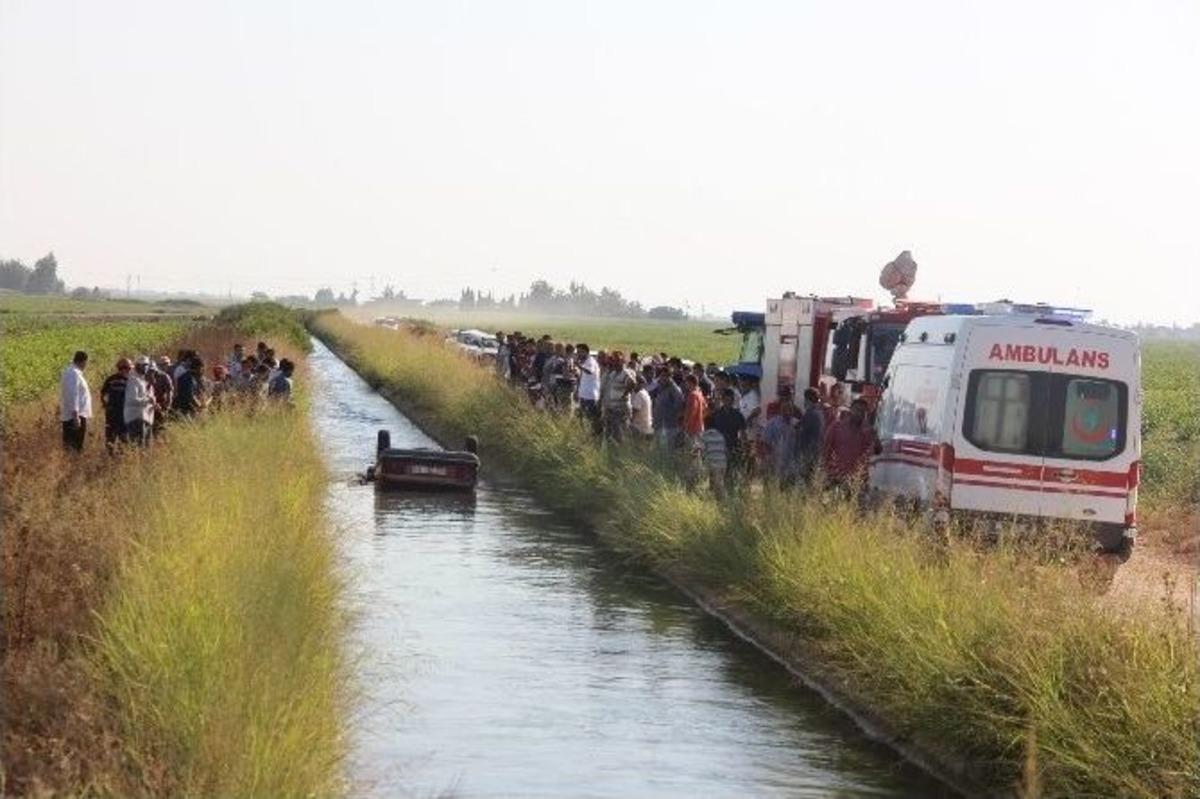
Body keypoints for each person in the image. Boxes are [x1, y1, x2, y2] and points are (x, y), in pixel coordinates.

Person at [822, 398, 880, 494]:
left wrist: (874, 436)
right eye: (857, 410)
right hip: (836, 478)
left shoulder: (868, 432)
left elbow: (878, 450)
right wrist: (825, 473)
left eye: (863, 412)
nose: (860, 414)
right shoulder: (836, 427)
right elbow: (825, 450)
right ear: (851, 410)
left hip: (857, 481)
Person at [707, 387, 747, 476]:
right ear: (722, 400)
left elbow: (743, 433)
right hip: (718, 449)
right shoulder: (716, 415)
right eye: (725, 399)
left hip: (732, 447)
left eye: (730, 400)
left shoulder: (738, 415)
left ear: (733, 400)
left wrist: (744, 447)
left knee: (730, 474)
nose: (728, 402)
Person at [59, 350, 92, 451]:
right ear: (83, 361)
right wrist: (75, 415)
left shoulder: (73, 372)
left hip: (75, 415)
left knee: (74, 447)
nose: (86, 365)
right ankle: (71, 465)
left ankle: (71, 464)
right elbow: (73, 394)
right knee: (74, 448)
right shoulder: (73, 373)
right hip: (74, 417)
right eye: (86, 362)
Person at [600, 352, 636, 441]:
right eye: (614, 360)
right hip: (611, 408)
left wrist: (625, 394)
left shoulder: (625, 373)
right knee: (609, 434)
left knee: (620, 435)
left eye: (617, 361)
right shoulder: (613, 374)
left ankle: (622, 452)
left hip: (620, 410)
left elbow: (632, 383)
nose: (615, 363)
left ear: (622, 361)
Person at [99, 357, 132, 450]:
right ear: (125, 368)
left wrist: (105, 405)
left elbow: (102, 394)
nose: (130, 370)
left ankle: (112, 458)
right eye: (129, 368)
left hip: (112, 413)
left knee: (112, 438)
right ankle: (118, 458)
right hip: (123, 414)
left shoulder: (110, 379)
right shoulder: (130, 380)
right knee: (122, 439)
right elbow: (102, 394)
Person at [650, 366, 684, 456]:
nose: (662, 378)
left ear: (670, 376)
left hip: (669, 427)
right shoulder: (660, 387)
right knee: (658, 452)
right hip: (659, 424)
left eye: (665, 376)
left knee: (668, 453)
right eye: (661, 376)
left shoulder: (675, 390)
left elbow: (679, 407)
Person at [123, 356, 155, 447]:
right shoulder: (133, 380)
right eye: (143, 365)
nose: (146, 367)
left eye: (147, 365)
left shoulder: (141, 380)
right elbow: (132, 399)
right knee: (138, 447)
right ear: (137, 366)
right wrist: (148, 400)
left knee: (144, 448)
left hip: (143, 418)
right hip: (135, 418)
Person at [797, 387, 826, 483]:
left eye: (806, 398)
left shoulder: (811, 413)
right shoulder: (819, 412)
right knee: (811, 477)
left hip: (809, 452)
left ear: (808, 399)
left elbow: (802, 430)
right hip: (816, 451)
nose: (804, 401)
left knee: (807, 479)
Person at [576, 344, 602, 433]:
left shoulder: (591, 361)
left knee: (591, 418)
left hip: (590, 396)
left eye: (580, 352)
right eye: (577, 352)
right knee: (583, 418)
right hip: (584, 394)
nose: (578, 354)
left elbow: (590, 371)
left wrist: (579, 366)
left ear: (586, 352)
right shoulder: (585, 362)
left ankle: (594, 435)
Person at [630, 375, 654, 440]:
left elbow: (634, 410)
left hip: (640, 428)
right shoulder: (645, 393)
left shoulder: (639, 394)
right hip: (646, 426)